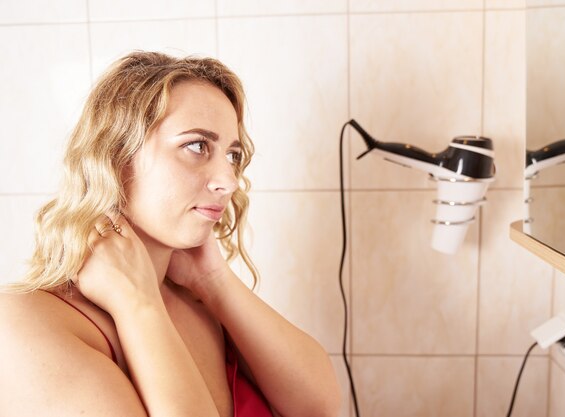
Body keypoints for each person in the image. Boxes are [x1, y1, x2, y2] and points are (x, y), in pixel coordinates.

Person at [0, 51, 341, 417]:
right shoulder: (21, 324)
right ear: (116, 155)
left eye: (232, 155)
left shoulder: (201, 304)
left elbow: (319, 407)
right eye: (197, 146)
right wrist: (138, 305)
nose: (228, 181)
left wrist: (214, 281)